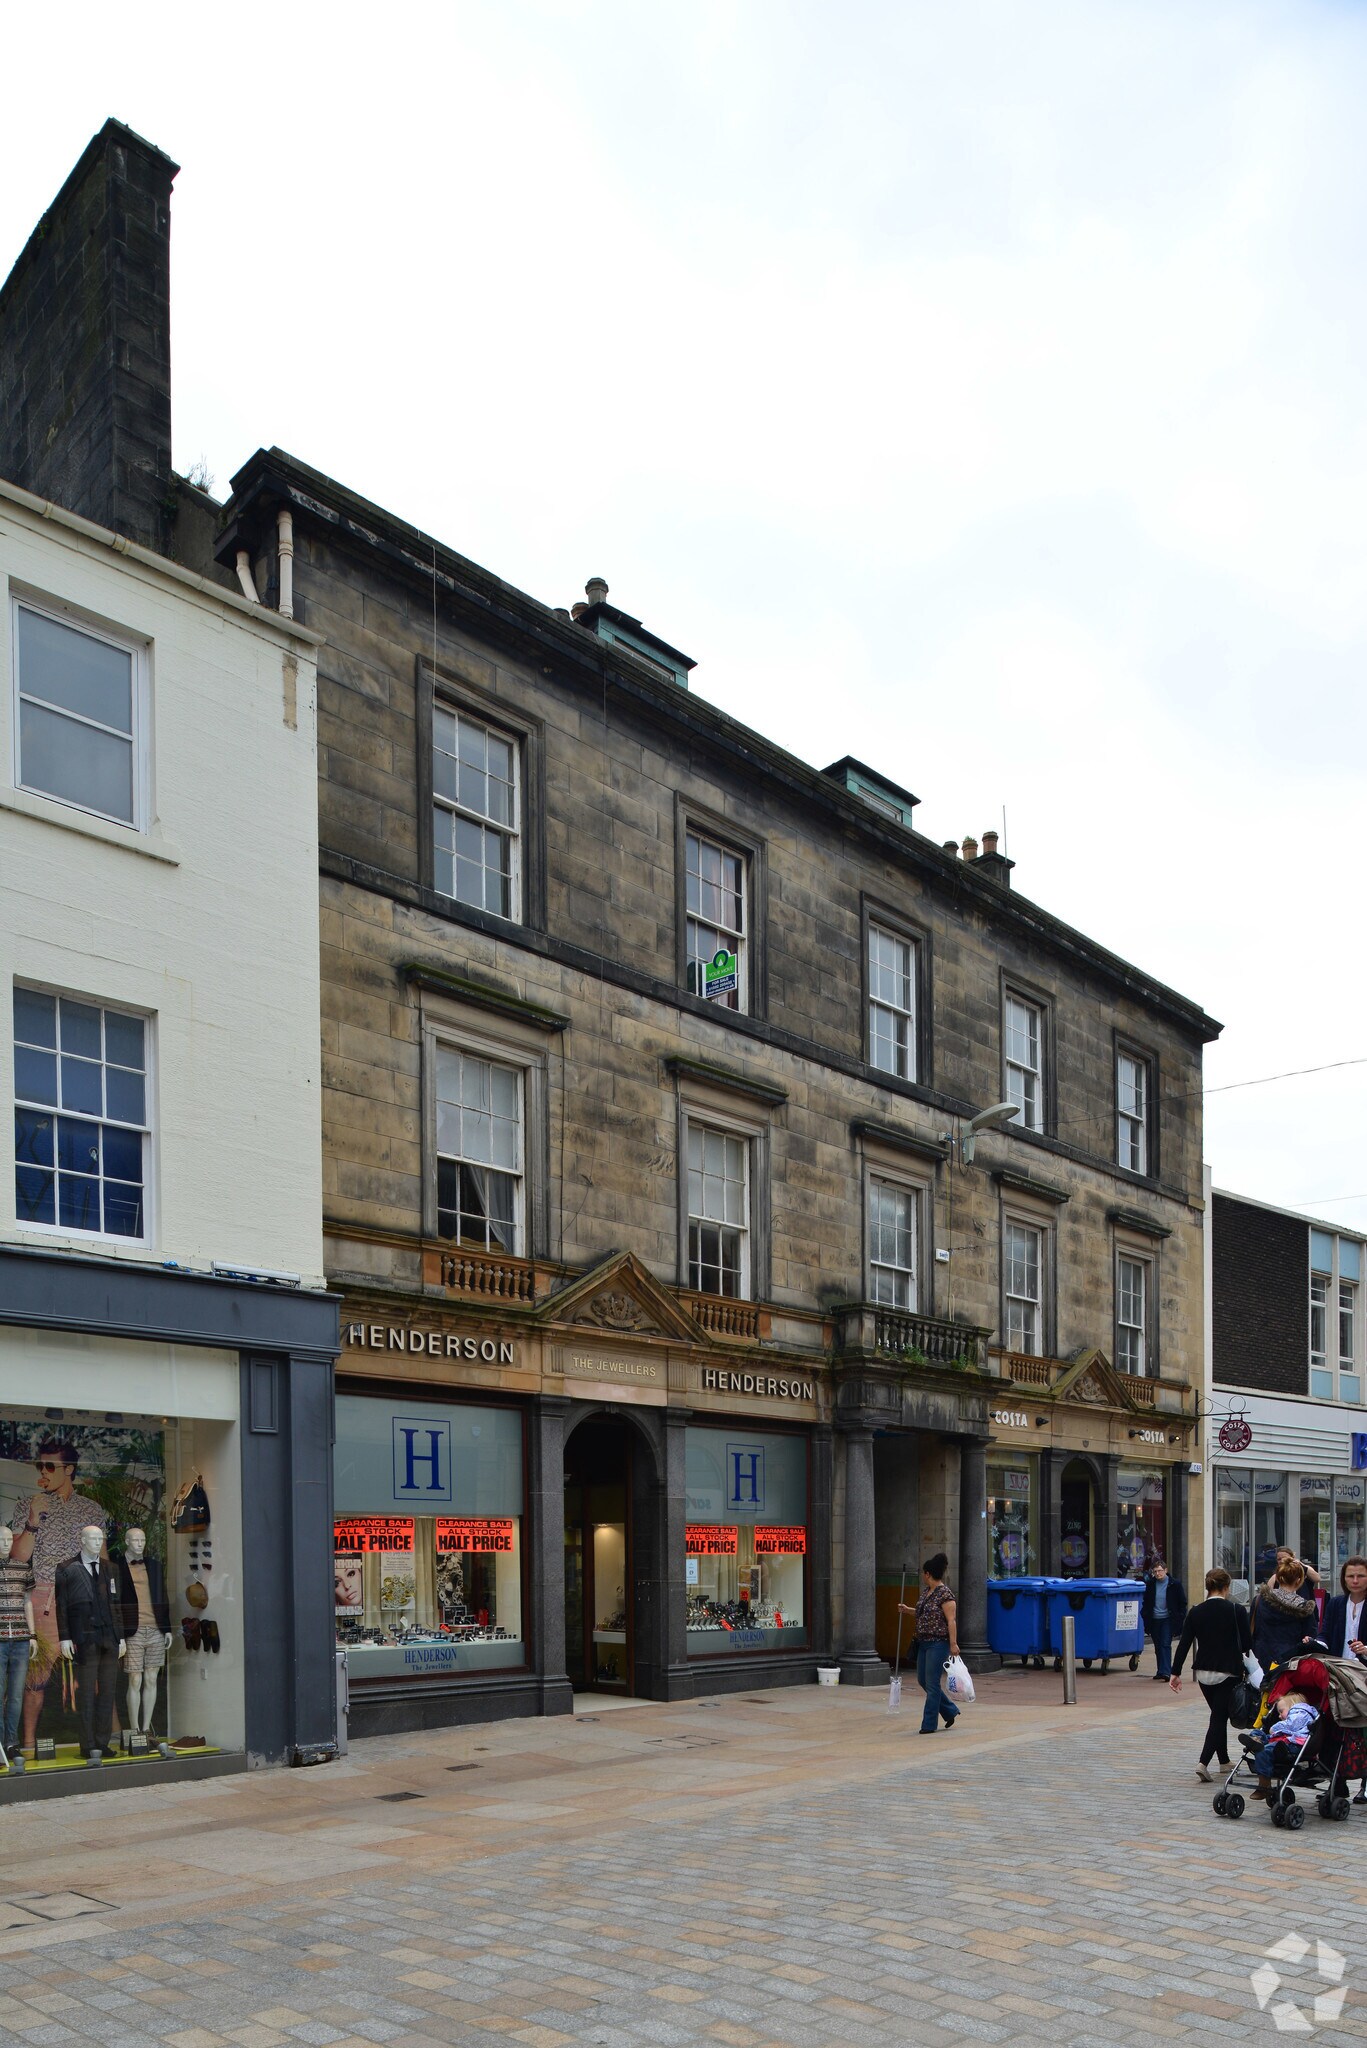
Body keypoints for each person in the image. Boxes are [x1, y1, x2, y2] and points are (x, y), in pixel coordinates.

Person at [8, 1439, 108, 1752]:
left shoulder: (91, 1509)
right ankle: (27, 1745)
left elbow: (102, 1563)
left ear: (69, 1470)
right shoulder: (28, 1505)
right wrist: (33, 1522)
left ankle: (95, 1741)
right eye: (40, 1465)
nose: (43, 1472)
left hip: (82, 1599)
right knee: (35, 1678)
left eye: (50, 1466)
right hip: (41, 1598)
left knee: (88, 1673)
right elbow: (18, 1559)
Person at [1170, 1567, 1253, 1781]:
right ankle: (1203, 1762)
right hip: (1228, 1672)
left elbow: (1184, 1644)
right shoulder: (1236, 1610)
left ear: (1208, 1587)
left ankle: (1224, 1761)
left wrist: (1175, 1672)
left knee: (1219, 1715)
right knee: (1218, 1718)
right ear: (1227, 1587)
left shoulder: (1195, 1612)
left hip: (1203, 1674)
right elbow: (1247, 1644)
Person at [898, 1552, 960, 1735]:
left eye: (923, 1574)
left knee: (932, 1683)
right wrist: (907, 1610)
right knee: (923, 1680)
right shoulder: (927, 1592)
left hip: (937, 1643)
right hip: (923, 1642)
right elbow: (921, 1612)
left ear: (927, 1574)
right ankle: (949, 1710)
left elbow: (951, 1621)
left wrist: (953, 1644)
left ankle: (929, 1724)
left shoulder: (945, 1594)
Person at [1248, 1689, 1319, 1801]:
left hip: (1292, 1744)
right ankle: (1256, 1739)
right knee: (1258, 1733)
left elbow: (1290, 1725)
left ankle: (1264, 1785)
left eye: (1281, 1711)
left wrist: (1274, 1728)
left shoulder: (1301, 1713)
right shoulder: (1296, 1714)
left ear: (1293, 1706)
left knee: (1264, 1750)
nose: (1280, 1716)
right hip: (1282, 1740)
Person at [1251, 1557, 1317, 1672]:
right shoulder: (1304, 1608)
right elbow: (1310, 1638)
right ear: (1298, 1580)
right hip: (1291, 1662)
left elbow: (1252, 1630)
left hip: (1261, 1659)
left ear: (1278, 1577)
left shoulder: (1259, 1600)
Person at [1141, 1561, 1187, 1681]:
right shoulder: (1150, 1584)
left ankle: (1166, 1672)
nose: (1157, 1573)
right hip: (1154, 1619)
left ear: (1165, 1570)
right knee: (1158, 1645)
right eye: (1155, 1571)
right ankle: (1160, 1670)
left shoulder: (1174, 1584)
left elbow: (1182, 1602)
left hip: (1168, 1619)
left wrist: (1180, 1616)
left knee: (1165, 1644)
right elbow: (1146, 1602)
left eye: (1160, 1571)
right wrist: (1145, 1615)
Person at [1323, 1556, 1367, 1662]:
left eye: (1360, 1576)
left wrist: (1365, 1649)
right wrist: (1315, 1642)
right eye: (1351, 1576)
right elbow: (1325, 1634)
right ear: (1344, 1579)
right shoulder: (1335, 1603)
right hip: (1338, 1669)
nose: (1355, 1581)